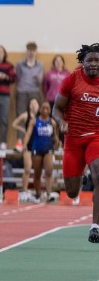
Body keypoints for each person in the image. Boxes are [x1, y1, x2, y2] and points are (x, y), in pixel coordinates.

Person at [52, 44, 99, 243]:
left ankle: (95, 226)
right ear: (83, 62)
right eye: (90, 60)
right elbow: (56, 108)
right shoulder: (73, 79)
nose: (94, 64)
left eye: (97, 60)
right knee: (71, 192)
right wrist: (62, 122)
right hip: (73, 139)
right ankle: (83, 177)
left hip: (96, 137)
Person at [23, 101, 59, 202]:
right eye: (43, 108)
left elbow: (55, 136)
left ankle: (48, 193)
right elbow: (28, 133)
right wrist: (25, 144)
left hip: (48, 148)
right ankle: (38, 194)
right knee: (37, 173)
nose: (45, 110)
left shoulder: (52, 122)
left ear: (50, 110)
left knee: (49, 170)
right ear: (40, 109)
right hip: (37, 149)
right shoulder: (34, 121)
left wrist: (57, 141)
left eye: (47, 108)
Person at [15, 41, 44, 145]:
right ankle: (20, 141)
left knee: (36, 116)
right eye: (29, 50)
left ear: (35, 52)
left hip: (35, 92)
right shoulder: (20, 64)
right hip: (22, 92)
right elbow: (17, 77)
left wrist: (37, 78)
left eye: (33, 50)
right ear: (27, 51)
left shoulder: (40, 65)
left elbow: (40, 81)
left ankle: (36, 139)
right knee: (21, 116)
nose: (31, 52)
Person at [12, 98, 40, 200]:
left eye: (35, 103)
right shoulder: (25, 115)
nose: (33, 105)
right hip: (28, 144)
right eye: (31, 103)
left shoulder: (40, 117)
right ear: (29, 105)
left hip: (38, 145)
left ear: (38, 105)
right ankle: (24, 189)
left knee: (37, 169)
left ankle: (38, 190)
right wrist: (23, 129)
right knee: (27, 168)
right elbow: (14, 124)